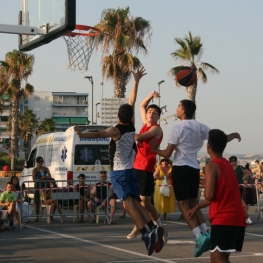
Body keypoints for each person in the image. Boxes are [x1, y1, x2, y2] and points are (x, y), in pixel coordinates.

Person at [75, 68, 164, 256]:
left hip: (119, 172)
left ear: (118, 116)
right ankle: (151, 226)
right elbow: (132, 100)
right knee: (134, 202)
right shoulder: (132, 126)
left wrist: (82, 134)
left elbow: (99, 133)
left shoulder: (116, 130)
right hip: (132, 170)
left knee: (128, 203)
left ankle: (146, 234)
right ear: (129, 116)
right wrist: (136, 81)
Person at [150, 99, 241, 257]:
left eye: (178, 106)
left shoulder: (177, 128)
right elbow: (220, 138)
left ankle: (199, 237)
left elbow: (167, 154)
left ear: (184, 111)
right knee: (193, 202)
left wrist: (155, 150)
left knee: (183, 204)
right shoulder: (201, 126)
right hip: (194, 168)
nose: (176, 109)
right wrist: (233, 135)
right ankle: (206, 233)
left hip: (181, 167)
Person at [188, 129, 246, 263]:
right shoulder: (227, 165)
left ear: (208, 146)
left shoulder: (211, 166)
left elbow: (209, 195)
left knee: (219, 258)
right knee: (215, 257)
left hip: (224, 218)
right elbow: (217, 196)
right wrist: (196, 208)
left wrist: (195, 206)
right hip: (236, 217)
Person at [127, 76, 164, 247]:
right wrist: (151, 94)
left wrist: (125, 133)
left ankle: (157, 227)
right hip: (137, 166)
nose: (150, 113)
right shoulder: (145, 123)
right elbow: (141, 105)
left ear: (158, 117)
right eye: (150, 112)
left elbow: (139, 137)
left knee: (144, 202)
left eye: (155, 113)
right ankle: (142, 225)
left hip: (146, 167)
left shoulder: (156, 129)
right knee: (139, 202)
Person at [229, 156, 254, 225]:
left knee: (240, 201)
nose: (233, 162)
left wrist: (243, 178)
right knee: (237, 202)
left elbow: (248, 172)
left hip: (239, 186)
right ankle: (244, 217)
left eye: (234, 161)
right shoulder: (229, 168)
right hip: (232, 187)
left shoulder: (240, 167)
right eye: (231, 161)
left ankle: (246, 217)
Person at [32, 156, 52, 222]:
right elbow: (34, 179)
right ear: (37, 162)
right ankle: (37, 217)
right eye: (39, 161)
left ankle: (50, 216)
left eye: (42, 161)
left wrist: (45, 178)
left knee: (45, 200)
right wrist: (40, 179)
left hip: (45, 186)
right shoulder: (35, 170)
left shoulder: (46, 169)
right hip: (37, 186)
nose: (41, 163)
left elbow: (50, 177)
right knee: (37, 202)